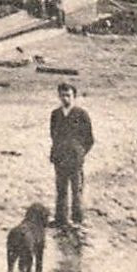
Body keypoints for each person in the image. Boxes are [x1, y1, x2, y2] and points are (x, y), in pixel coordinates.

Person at [49, 82, 94, 227]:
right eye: (62, 95)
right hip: (60, 158)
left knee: (76, 190)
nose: (65, 98)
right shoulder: (55, 114)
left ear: (74, 96)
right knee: (61, 189)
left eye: (68, 95)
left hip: (75, 159)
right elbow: (53, 134)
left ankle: (77, 219)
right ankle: (60, 219)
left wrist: (79, 152)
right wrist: (57, 150)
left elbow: (89, 139)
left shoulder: (81, 115)